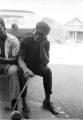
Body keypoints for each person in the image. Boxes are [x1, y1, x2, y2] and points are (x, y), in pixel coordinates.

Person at [18, 21, 59, 118]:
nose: (39, 36)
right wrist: (25, 69)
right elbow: (20, 59)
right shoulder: (25, 40)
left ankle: (47, 101)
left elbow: (45, 63)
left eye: (43, 35)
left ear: (46, 35)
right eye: (38, 33)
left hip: (38, 66)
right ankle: (24, 103)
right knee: (21, 73)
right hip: (26, 65)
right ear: (34, 30)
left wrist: (41, 46)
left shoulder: (46, 43)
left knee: (47, 71)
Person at [0, 17, 20, 111]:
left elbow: (16, 59)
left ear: (4, 28)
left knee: (15, 71)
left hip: (9, 65)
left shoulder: (13, 40)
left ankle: (14, 105)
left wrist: (2, 59)